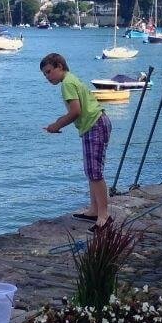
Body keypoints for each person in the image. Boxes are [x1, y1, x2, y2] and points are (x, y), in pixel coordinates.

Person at [40, 53, 112, 228]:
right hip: (95, 124)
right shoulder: (71, 80)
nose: (47, 77)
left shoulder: (67, 84)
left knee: (95, 172)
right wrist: (59, 121)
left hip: (94, 125)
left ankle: (104, 216)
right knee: (91, 171)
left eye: (49, 72)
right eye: (45, 74)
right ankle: (94, 210)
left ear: (59, 66)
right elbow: (76, 110)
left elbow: (75, 112)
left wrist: (57, 125)